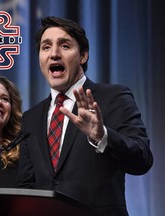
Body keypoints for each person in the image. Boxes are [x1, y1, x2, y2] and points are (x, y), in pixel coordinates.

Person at [17, 16, 153, 216]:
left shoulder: (113, 97)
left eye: (64, 46)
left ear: (83, 55)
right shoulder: (30, 117)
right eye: (46, 47)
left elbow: (142, 159)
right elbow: (26, 186)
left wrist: (102, 137)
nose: (54, 54)